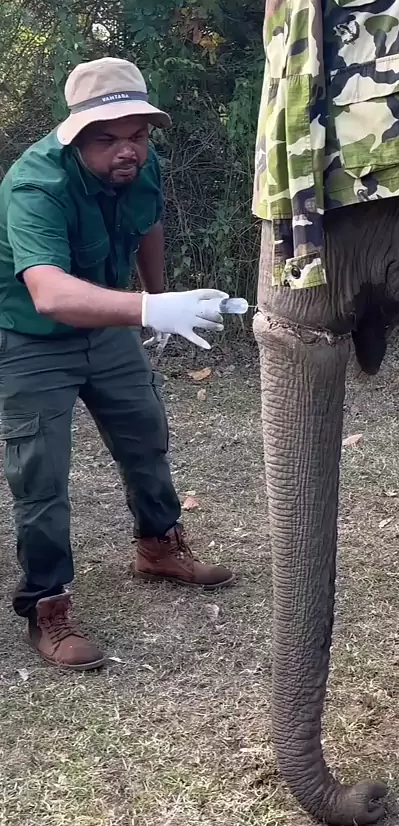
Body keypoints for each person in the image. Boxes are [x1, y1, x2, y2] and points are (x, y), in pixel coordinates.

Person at [0, 56, 235, 672]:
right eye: (108, 138)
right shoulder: (35, 186)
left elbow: (147, 220)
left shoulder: (141, 164)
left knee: (145, 435)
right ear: (76, 133)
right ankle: (46, 605)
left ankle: (159, 547)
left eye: (137, 134)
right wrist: (148, 308)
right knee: (41, 474)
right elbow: (49, 292)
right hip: (31, 337)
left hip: (106, 328)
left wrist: (159, 298)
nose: (127, 149)